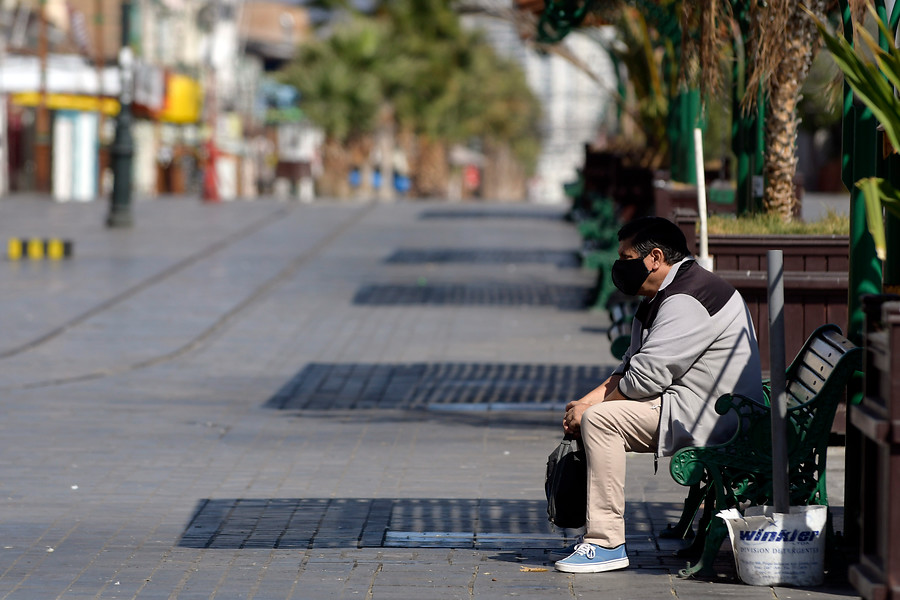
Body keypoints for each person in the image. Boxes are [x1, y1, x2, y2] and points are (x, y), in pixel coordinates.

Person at [554, 216, 764, 574]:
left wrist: (591, 410)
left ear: (653, 257)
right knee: (592, 413)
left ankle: (606, 543)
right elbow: (629, 366)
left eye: (625, 257)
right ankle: (603, 539)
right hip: (693, 405)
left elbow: (644, 380)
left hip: (716, 417)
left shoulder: (686, 298)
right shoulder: (663, 293)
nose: (619, 266)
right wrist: (584, 402)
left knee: (601, 422)